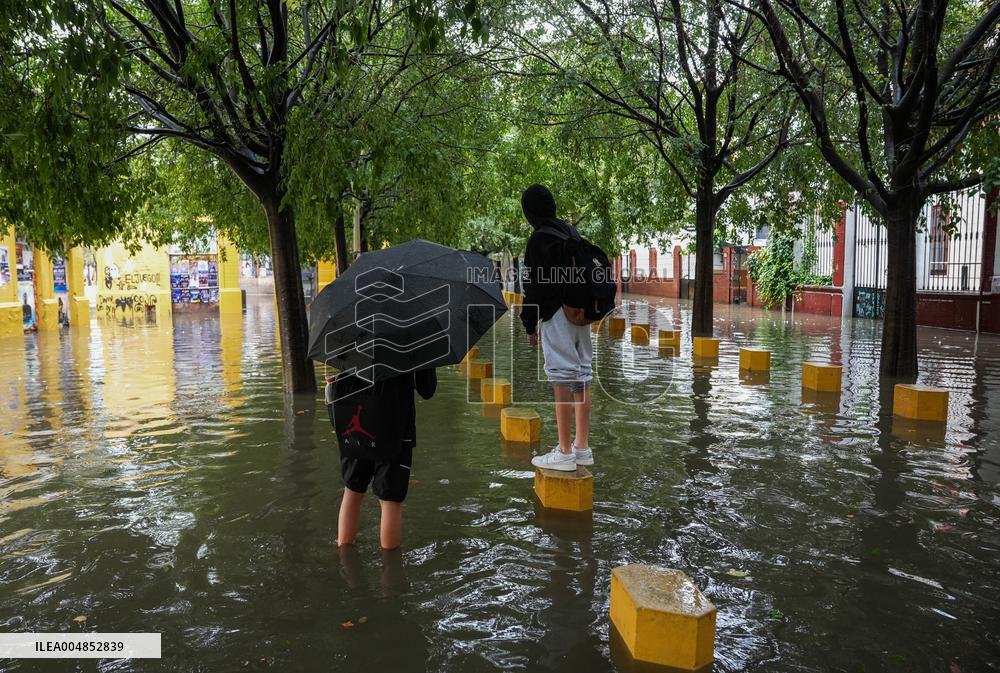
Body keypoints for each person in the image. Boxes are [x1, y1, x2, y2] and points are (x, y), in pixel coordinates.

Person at [519, 184, 593, 472]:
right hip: (581, 314)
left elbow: (534, 288)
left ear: (530, 212)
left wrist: (529, 325)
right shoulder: (570, 231)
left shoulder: (539, 238)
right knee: (581, 375)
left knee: (561, 377)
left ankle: (564, 451)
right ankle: (582, 447)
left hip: (556, 316)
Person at [332, 368, 437, 550]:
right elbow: (427, 390)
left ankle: (345, 560)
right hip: (396, 425)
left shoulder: (349, 339)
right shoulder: (414, 340)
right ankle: (391, 571)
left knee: (353, 489)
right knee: (390, 499)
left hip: (357, 417)